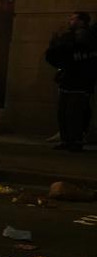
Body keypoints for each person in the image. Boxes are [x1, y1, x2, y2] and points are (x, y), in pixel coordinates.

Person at [46, 11, 97, 152]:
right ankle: (66, 140)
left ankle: (77, 140)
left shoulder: (89, 38)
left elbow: (83, 55)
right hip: (67, 80)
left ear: (82, 22)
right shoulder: (68, 37)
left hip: (81, 81)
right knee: (63, 112)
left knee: (75, 112)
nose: (70, 21)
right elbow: (59, 56)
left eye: (73, 19)